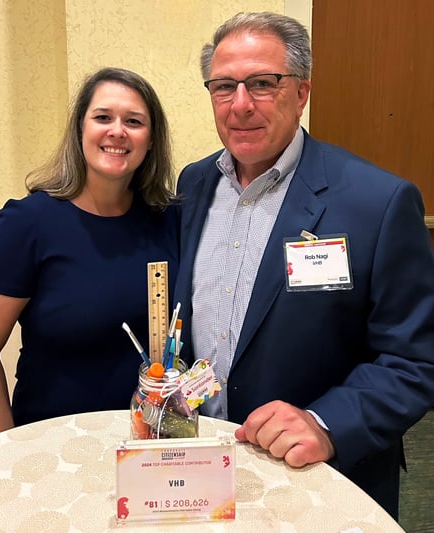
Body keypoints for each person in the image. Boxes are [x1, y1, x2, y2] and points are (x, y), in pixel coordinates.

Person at [174, 11, 434, 518]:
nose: (241, 104)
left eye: (263, 83)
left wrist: (326, 422)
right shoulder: (193, 184)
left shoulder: (378, 203)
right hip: (205, 464)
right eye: (224, 86)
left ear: (302, 92)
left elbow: (415, 361)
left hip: (320, 476)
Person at [0, 67, 179, 437]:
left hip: (151, 447)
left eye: (134, 121)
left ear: (152, 139)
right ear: (80, 129)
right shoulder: (26, 224)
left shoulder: (169, 220)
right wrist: (8, 454)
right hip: (51, 445)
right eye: (103, 117)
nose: (117, 131)